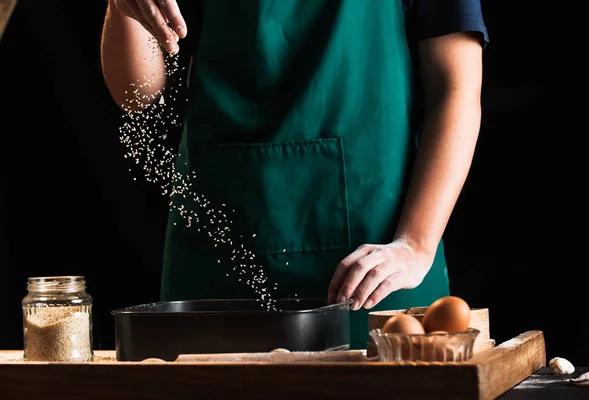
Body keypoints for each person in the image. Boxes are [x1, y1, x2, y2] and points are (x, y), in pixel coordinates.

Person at [100, 0, 488, 349]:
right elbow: (138, 93)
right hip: (219, 252)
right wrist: (122, 7)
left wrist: (415, 244)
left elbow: (455, 91)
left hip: (372, 258)